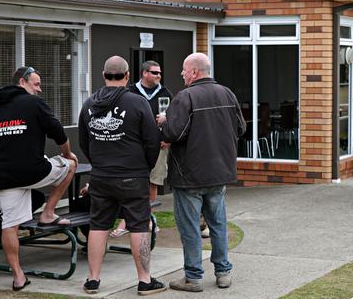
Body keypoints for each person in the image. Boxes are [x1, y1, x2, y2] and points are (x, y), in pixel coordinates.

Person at [0, 66, 78, 291]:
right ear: (22, 82)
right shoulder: (34, 104)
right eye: (36, 84)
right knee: (70, 165)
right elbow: (58, 131)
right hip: (35, 172)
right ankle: (48, 213)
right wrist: (67, 154)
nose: (39, 90)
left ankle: (18, 277)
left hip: (6, 177)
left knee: (9, 225)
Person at [78, 56, 165, 295]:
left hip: (101, 176)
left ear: (104, 75)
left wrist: (99, 163)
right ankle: (145, 281)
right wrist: (144, 167)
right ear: (127, 76)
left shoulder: (88, 105)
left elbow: (84, 143)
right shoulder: (138, 103)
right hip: (132, 175)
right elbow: (152, 141)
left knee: (98, 225)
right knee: (138, 226)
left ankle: (93, 280)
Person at [161, 53, 246, 292]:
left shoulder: (184, 97)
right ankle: (223, 273)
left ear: (195, 72)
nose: (181, 74)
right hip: (220, 173)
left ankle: (193, 277)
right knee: (218, 225)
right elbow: (241, 128)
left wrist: (163, 121)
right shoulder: (227, 93)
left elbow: (173, 134)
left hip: (189, 176)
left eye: (184, 70)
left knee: (190, 228)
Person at [109, 60, 174, 238]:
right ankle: (131, 220)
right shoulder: (130, 91)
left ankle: (146, 219)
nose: (158, 76)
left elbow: (173, 118)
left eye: (160, 73)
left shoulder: (165, 93)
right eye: (154, 72)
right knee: (134, 182)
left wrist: (166, 136)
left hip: (158, 145)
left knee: (152, 182)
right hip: (133, 146)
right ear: (144, 73)